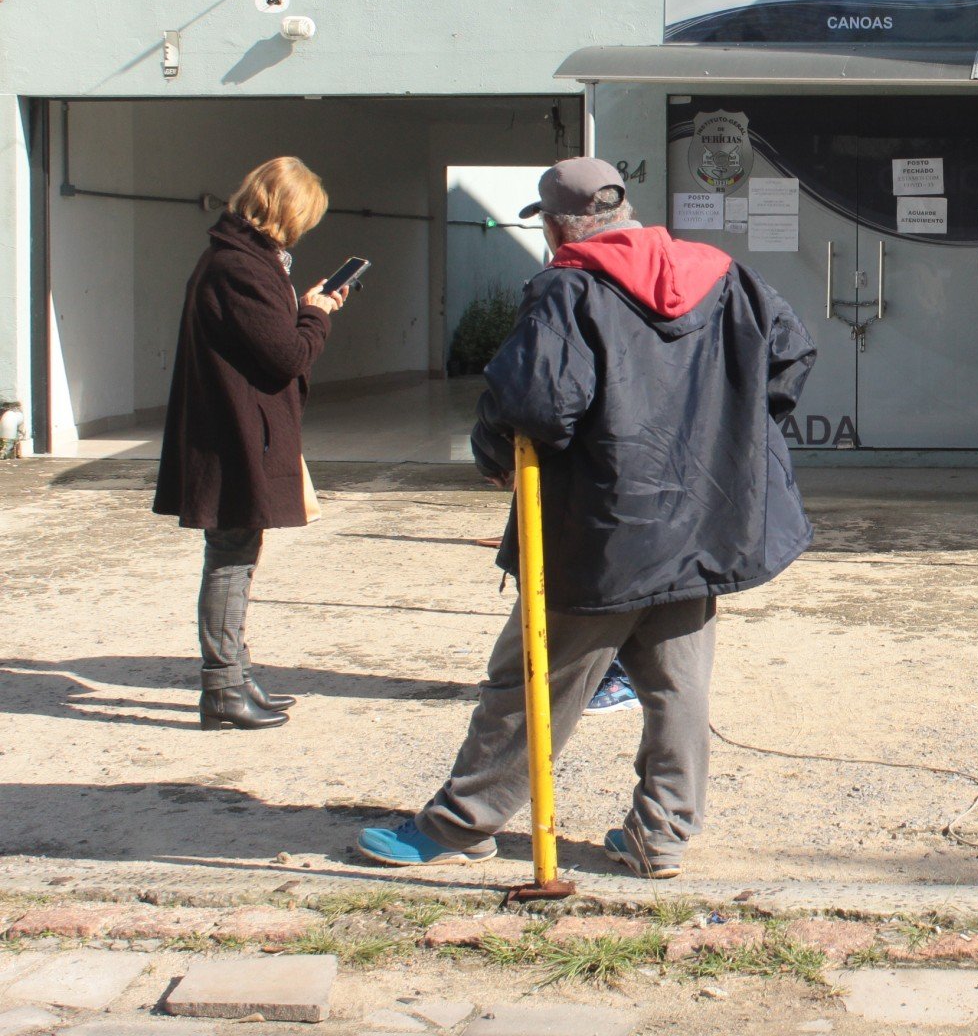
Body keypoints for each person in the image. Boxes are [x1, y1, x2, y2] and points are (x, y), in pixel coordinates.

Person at [356, 158, 814, 878]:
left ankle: (460, 824)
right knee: (676, 685)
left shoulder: (568, 287)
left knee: (530, 675)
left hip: (602, 528)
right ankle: (660, 835)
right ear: (625, 208)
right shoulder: (720, 272)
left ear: (557, 224)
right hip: (701, 521)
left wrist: (490, 451)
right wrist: (726, 441)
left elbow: (535, 404)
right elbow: (788, 355)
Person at [154, 157, 352, 731]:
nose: (305, 229)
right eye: (305, 218)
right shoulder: (241, 267)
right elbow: (286, 355)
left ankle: (235, 678)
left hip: (237, 432)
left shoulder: (242, 260)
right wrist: (316, 314)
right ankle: (221, 687)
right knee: (230, 558)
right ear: (287, 211)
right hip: (233, 438)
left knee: (237, 554)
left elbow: (268, 338)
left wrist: (303, 305)